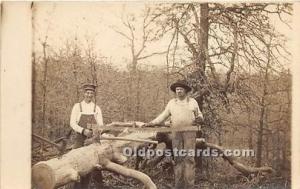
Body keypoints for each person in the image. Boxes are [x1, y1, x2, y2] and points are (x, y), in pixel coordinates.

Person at [143, 79, 203, 189]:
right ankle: (179, 186)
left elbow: (200, 115)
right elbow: (163, 115)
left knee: (189, 159)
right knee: (178, 158)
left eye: (181, 89)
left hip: (190, 133)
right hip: (176, 133)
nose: (179, 91)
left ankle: (189, 186)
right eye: (177, 89)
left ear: (185, 90)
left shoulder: (192, 102)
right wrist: (151, 123)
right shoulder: (172, 103)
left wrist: (199, 118)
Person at [69, 83, 103, 189]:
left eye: (91, 93)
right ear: (84, 93)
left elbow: (101, 125)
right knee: (76, 162)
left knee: (96, 164)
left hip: (93, 140)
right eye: (87, 93)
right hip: (80, 139)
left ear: (93, 94)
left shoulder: (96, 108)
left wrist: (95, 134)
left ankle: (96, 186)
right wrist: (83, 131)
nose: (89, 95)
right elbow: (72, 123)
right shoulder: (77, 106)